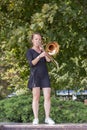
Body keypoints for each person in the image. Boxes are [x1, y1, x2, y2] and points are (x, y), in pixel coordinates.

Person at [26, 33, 55, 125]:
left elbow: (49, 60)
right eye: (36, 39)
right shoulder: (30, 51)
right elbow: (32, 63)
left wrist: (44, 53)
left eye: (39, 39)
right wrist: (39, 56)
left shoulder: (43, 50)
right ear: (32, 40)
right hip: (35, 76)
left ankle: (47, 118)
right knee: (36, 97)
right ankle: (36, 118)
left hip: (44, 75)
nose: (38, 41)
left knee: (47, 97)